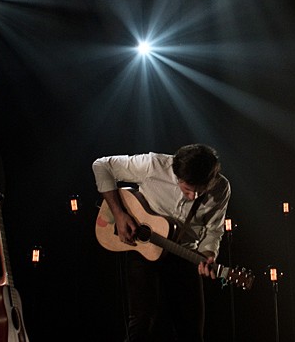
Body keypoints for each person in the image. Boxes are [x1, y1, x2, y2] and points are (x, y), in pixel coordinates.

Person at [92, 143, 231, 342]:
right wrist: (119, 214)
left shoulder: (221, 187)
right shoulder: (154, 165)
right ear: (177, 176)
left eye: (200, 191)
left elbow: (214, 229)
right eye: (187, 189)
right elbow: (101, 166)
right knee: (141, 324)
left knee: (191, 330)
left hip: (184, 253)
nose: (194, 196)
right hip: (142, 249)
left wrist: (208, 254)